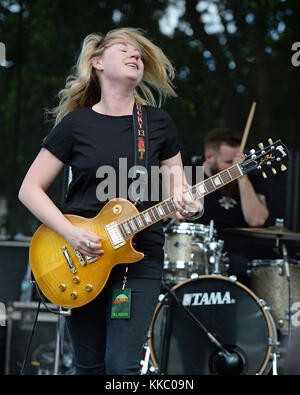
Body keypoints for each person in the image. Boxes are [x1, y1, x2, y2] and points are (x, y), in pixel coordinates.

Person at [18, 27, 201, 375]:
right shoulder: (76, 125)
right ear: (98, 63)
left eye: (138, 52)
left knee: (121, 367)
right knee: (89, 366)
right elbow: (29, 189)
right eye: (124, 49)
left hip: (139, 256)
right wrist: (71, 235)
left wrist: (192, 205)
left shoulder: (158, 124)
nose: (135, 55)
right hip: (79, 257)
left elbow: (181, 190)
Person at [193, 128, 270, 283]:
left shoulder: (251, 179)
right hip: (197, 261)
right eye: (229, 162)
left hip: (241, 262)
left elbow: (257, 220)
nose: (234, 167)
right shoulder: (190, 176)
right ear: (209, 158)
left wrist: (242, 176)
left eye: (237, 162)